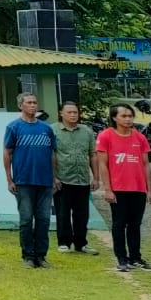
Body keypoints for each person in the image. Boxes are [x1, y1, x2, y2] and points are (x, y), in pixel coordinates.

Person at [96, 102, 151, 272]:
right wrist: (108, 189)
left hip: (137, 189)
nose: (128, 119)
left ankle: (136, 257)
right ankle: (122, 258)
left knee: (135, 224)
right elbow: (103, 164)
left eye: (130, 116)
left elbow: (145, 164)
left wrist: (148, 189)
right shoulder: (106, 136)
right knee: (119, 224)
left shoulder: (139, 137)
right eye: (124, 116)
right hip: (118, 189)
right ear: (114, 118)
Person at [3, 92, 57, 269]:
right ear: (21, 106)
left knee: (43, 219)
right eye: (29, 103)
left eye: (35, 102)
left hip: (45, 182)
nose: (33, 105)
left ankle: (41, 255)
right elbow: (7, 153)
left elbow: (52, 154)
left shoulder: (46, 129)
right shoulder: (14, 127)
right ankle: (28, 255)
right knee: (26, 219)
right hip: (24, 180)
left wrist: (55, 176)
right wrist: (9, 178)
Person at [53, 101, 98, 255]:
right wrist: (54, 177)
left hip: (82, 179)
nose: (73, 115)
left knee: (82, 214)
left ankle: (81, 243)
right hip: (62, 179)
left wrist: (96, 177)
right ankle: (64, 242)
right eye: (69, 112)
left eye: (75, 112)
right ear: (61, 113)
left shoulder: (86, 131)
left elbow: (92, 154)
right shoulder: (53, 130)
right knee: (63, 213)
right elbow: (50, 155)